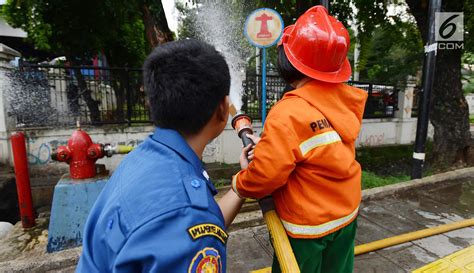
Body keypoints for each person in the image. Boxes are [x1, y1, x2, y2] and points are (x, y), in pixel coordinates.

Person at [76, 39, 244, 273]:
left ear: (152, 103)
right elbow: (188, 221)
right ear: (223, 110)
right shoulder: (187, 213)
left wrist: (241, 186)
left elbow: (189, 221)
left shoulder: (143, 160)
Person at [232, 6, 368, 273]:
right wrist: (273, 145)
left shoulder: (288, 112)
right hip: (346, 216)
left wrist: (241, 180)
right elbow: (319, 148)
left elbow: (266, 176)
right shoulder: (344, 101)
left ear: (289, 61)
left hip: (306, 229)